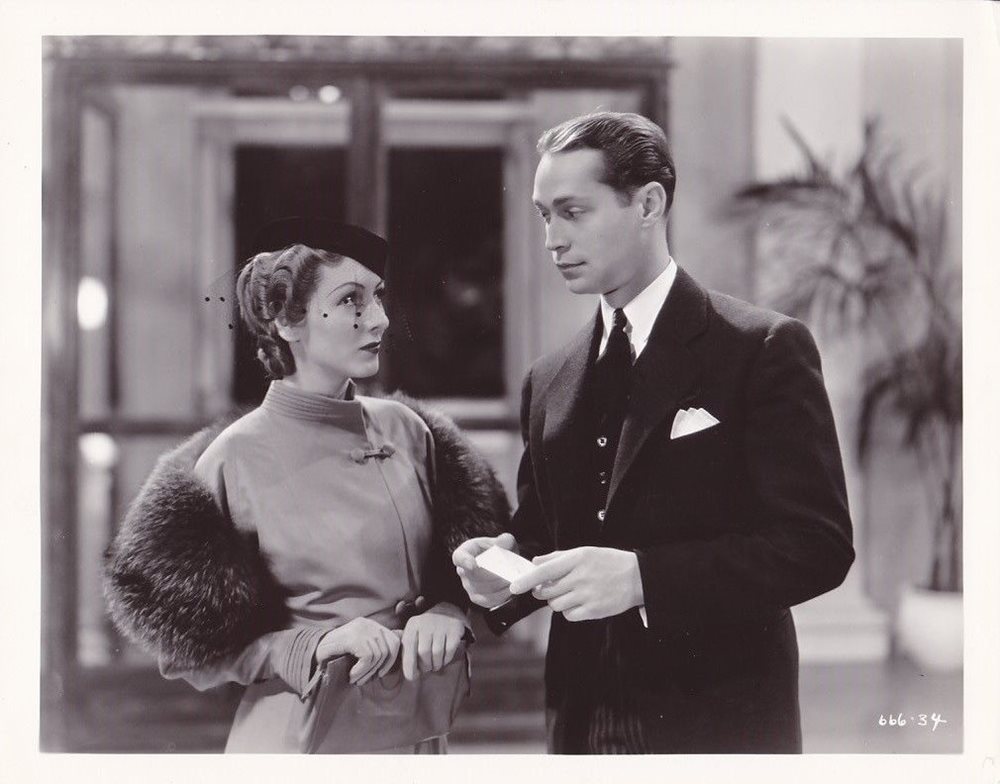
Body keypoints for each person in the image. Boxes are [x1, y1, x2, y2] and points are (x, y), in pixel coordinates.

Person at [452, 112, 855, 753]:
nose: (552, 239)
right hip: (581, 724)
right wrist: (500, 574)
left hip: (719, 725)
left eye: (573, 212)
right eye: (543, 216)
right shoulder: (548, 377)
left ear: (648, 203)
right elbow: (545, 537)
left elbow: (818, 545)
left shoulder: (761, 348)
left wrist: (645, 578)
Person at [105, 218, 508, 753]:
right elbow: (184, 651)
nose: (380, 320)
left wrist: (448, 608)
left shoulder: (410, 432)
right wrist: (313, 644)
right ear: (287, 323)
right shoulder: (233, 458)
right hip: (299, 740)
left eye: (379, 298)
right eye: (351, 301)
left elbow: (462, 569)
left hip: (417, 737)